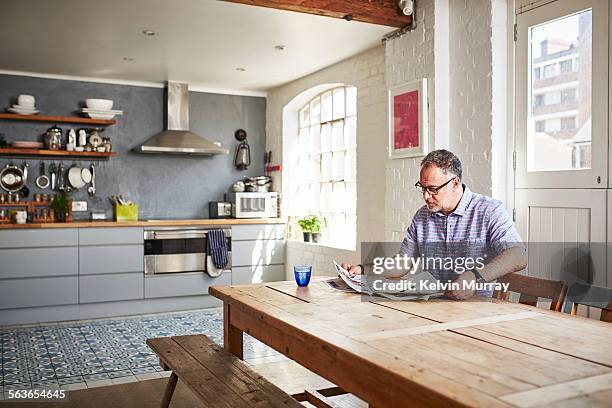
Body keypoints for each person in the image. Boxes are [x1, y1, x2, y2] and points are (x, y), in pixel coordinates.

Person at [342, 149, 527, 300]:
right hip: (432, 307)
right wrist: (363, 269)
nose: (426, 196)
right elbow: (402, 263)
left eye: (433, 189)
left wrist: (475, 277)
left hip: (479, 311)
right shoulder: (422, 216)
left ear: (455, 183)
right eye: (422, 188)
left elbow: (518, 255)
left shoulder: (489, 211)